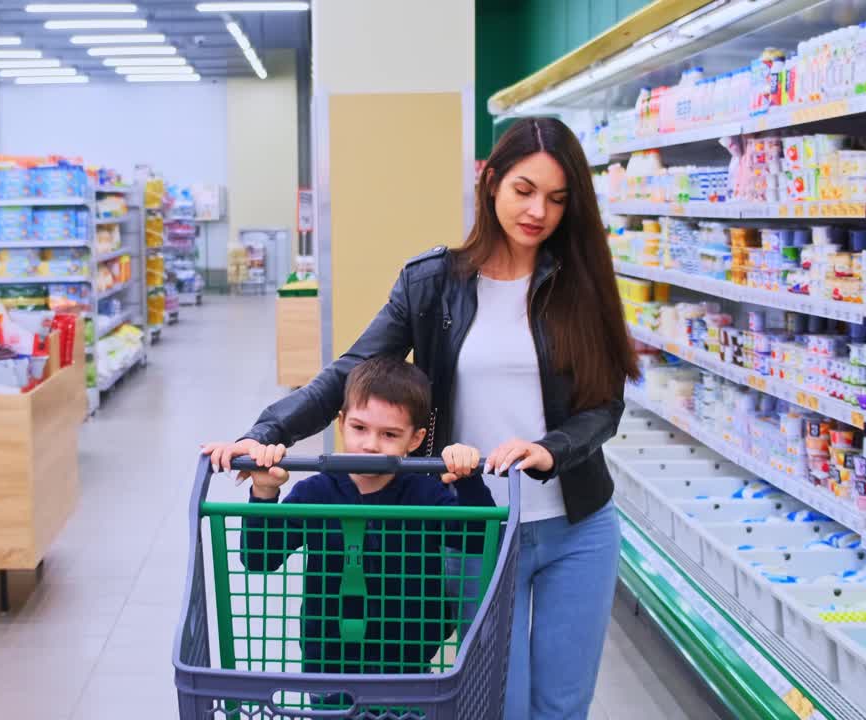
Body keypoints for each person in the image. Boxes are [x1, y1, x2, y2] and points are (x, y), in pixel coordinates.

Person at [205, 116, 640, 720]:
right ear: (491, 183)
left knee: (563, 706)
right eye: (524, 189)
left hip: (578, 525)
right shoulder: (432, 284)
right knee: (498, 702)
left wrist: (553, 448)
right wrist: (265, 433)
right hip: (477, 530)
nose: (538, 210)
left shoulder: (581, 288)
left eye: (557, 198)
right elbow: (349, 370)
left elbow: (605, 405)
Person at [238, 355, 495, 690]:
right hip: (327, 666)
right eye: (359, 428)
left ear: (415, 440)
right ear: (341, 422)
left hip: (408, 665)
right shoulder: (315, 492)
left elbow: (480, 542)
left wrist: (467, 478)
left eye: (389, 434)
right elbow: (260, 559)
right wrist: (264, 490)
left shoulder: (427, 493)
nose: (371, 444)